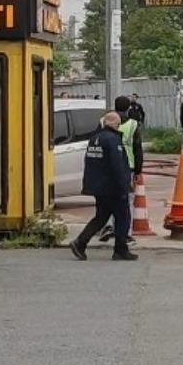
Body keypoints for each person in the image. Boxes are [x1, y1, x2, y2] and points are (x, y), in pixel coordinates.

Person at [70, 111, 138, 261]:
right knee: (123, 217)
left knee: (101, 217)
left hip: (98, 186)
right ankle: (120, 249)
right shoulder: (113, 140)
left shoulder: (95, 138)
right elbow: (117, 165)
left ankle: (80, 242)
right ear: (117, 125)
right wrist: (124, 186)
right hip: (112, 187)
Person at [98, 95, 146, 245]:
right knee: (127, 199)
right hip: (127, 167)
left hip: (105, 166)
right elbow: (138, 148)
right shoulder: (133, 125)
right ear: (129, 108)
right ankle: (126, 233)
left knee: (107, 197)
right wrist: (138, 170)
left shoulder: (103, 121)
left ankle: (109, 226)